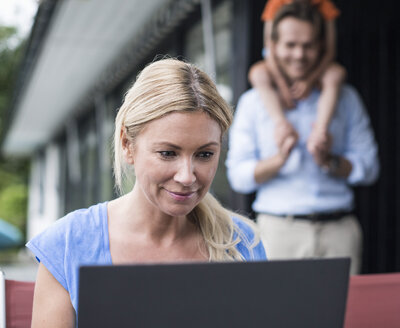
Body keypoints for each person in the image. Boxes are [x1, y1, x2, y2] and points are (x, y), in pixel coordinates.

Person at [26, 58, 266, 327]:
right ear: (128, 145)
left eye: (205, 154)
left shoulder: (241, 243)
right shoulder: (69, 243)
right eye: (167, 153)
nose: (187, 176)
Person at [226, 2, 379, 274]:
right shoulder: (253, 102)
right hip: (277, 231)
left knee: (344, 316)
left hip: (339, 231)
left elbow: (369, 169)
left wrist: (329, 160)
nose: (299, 54)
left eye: (308, 45)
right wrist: (279, 160)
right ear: (272, 47)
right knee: (276, 315)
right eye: (290, 44)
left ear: (320, 47)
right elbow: (238, 176)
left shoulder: (346, 98)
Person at [248, 0, 346, 162]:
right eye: (291, 45)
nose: (299, 54)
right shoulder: (275, 4)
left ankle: (320, 131)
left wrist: (310, 80)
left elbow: (329, 51)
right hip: (277, 70)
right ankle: (281, 125)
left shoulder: (324, 5)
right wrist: (282, 85)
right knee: (257, 73)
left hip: (318, 69)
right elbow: (269, 50)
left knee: (336, 74)